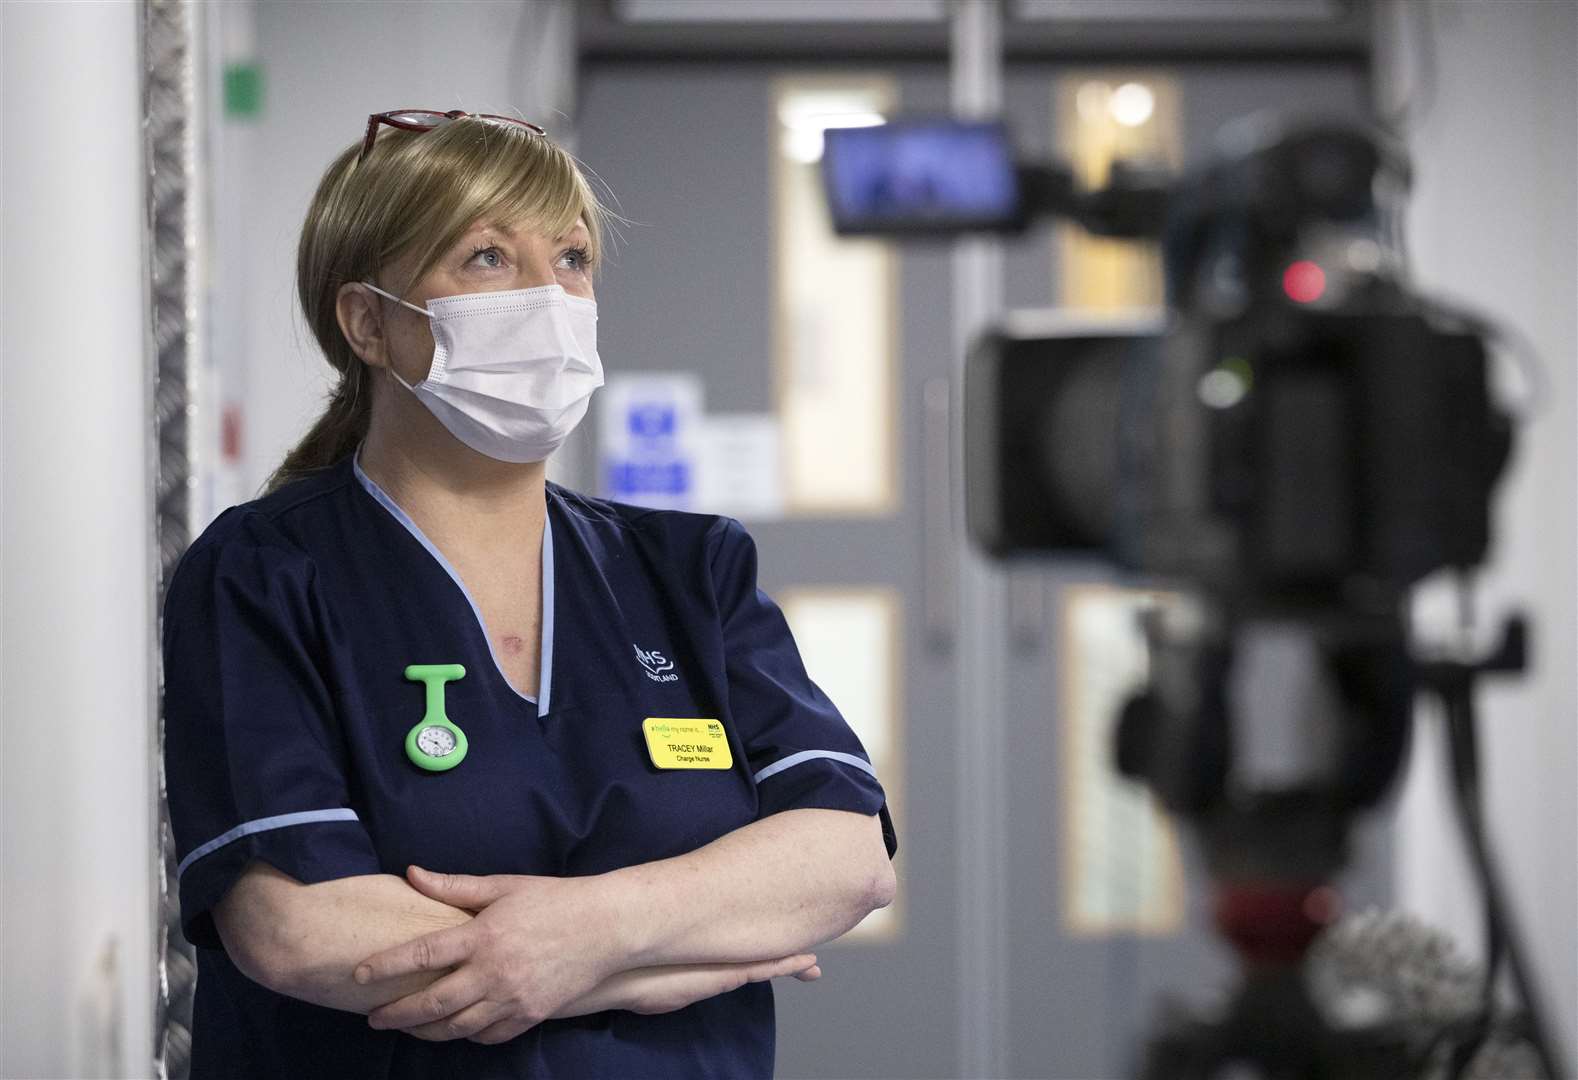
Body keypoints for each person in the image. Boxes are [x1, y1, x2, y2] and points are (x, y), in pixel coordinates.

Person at [161, 108, 897, 1080]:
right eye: (487, 259)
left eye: (572, 258)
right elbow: (295, 923)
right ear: (368, 321)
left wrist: (588, 937)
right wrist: (669, 960)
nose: (549, 297)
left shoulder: (689, 572)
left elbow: (846, 855)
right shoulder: (265, 575)